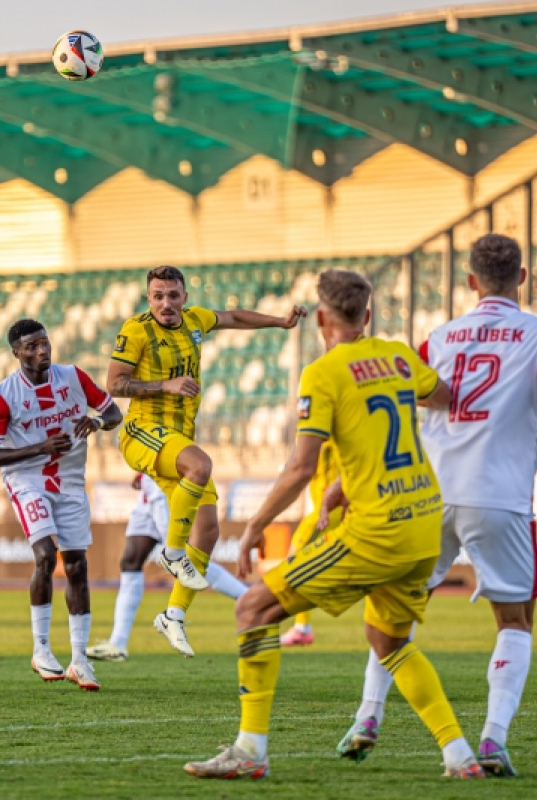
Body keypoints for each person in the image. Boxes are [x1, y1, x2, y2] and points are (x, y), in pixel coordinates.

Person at [184, 269, 485, 781]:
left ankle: (250, 749)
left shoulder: (322, 373)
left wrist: (257, 523)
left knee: (254, 607)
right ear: (367, 316)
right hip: (423, 523)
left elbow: (301, 466)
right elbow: (444, 397)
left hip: (378, 530)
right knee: (388, 641)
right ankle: (460, 756)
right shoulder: (398, 356)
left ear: (322, 318)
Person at [336, 233, 537, 777]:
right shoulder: (534, 334)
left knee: (394, 612)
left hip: (428, 493)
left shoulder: (441, 337)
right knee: (515, 619)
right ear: (522, 277)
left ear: (469, 281)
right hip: (500, 495)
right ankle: (493, 738)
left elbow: (410, 395)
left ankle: (367, 717)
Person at [107, 265, 306, 657]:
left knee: (209, 530)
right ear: (149, 299)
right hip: (141, 432)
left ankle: (173, 615)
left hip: (177, 440)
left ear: (184, 296)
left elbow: (233, 317)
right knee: (200, 466)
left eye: (173, 295)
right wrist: (166, 385)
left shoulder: (195, 320)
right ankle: (173, 553)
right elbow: (113, 384)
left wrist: (279, 323)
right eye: (158, 296)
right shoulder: (135, 330)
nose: (166, 303)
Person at [0, 318, 122, 691]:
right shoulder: (3, 395)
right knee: (45, 555)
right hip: (27, 480)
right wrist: (39, 448)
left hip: (70, 481)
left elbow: (113, 413)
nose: (41, 351)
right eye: (31, 347)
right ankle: (41, 649)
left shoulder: (74, 377)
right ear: (16, 353)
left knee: (77, 565)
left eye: (44, 343)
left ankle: (79, 660)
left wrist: (96, 423)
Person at [86, 472, 248, 662]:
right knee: (130, 561)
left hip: (162, 484)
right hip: (149, 486)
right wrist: (141, 472)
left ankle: (249, 597)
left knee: (184, 559)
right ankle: (118, 644)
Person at [279, 440, 342, 647]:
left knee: (294, 562)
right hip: (334, 508)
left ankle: (302, 627)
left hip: (327, 510)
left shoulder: (325, 431)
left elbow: (301, 465)